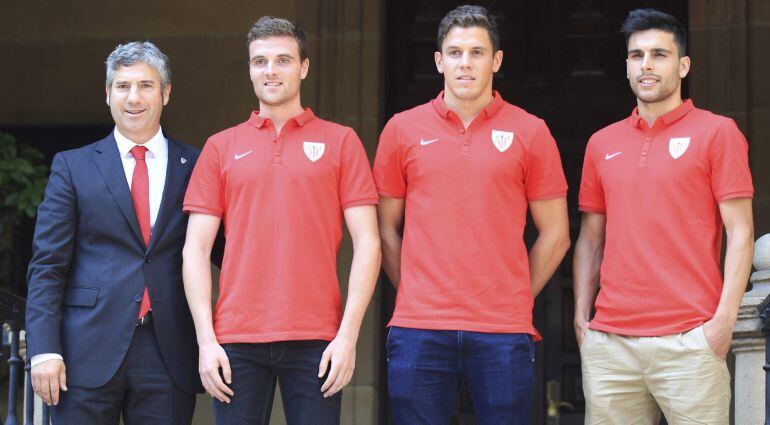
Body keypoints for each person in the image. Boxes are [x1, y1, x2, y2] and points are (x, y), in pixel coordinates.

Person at [373, 5, 570, 424]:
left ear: (496, 60)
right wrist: (413, 289)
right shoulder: (401, 130)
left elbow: (556, 234)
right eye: (456, 52)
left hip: (502, 329)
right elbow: (384, 230)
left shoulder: (530, 131)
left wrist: (515, 295)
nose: (466, 62)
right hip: (419, 326)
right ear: (439, 61)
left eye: (477, 52)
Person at [182, 16, 381, 425]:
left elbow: (369, 242)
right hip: (235, 337)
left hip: (318, 339)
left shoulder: (341, 141)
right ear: (250, 69)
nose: (270, 70)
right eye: (260, 62)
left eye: (282, 60)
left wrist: (348, 336)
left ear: (303, 67)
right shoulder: (220, 147)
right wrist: (206, 340)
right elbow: (195, 249)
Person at [573, 9, 754, 425]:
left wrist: (723, 323)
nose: (647, 65)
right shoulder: (602, 143)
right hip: (611, 343)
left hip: (690, 339)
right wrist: (582, 320)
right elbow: (590, 239)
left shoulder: (717, 132)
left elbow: (741, 232)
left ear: (683, 65)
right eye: (637, 56)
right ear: (626, 66)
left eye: (659, 54)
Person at [26, 41, 202, 424]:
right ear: (107, 94)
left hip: (168, 350)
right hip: (83, 352)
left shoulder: (197, 165)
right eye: (122, 86)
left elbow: (224, 251)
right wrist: (43, 349)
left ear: (166, 92)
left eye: (145, 85)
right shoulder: (72, 167)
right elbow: (47, 266)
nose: (133, 97)